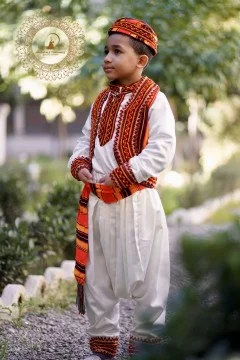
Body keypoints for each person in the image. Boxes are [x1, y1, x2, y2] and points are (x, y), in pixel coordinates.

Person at [68, 17, 176, 360]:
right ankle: (103, 349)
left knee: (147, 277)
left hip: (137, 202)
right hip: (100, 202)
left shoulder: (154, 99)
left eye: (117, 51)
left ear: (141, 60)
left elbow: (162, 148)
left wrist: (128, 171)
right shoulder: (101, 100)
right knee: (98, 279)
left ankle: (147, 347)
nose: (108, 58)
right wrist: (80, 165)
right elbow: (85, 141)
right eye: (106, 51)